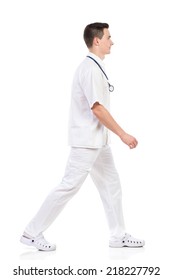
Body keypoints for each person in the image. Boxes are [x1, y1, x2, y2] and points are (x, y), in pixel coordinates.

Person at [20, 22, 145, 251]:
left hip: (99, 142)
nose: (112, 41)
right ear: (97, 40)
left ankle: (118, 236)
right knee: (69, 186)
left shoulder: (96, 68)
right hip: (86, 143)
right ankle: (32, 232)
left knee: (112, 184)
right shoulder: (88, 69)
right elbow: (96, 108)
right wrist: (122, 134)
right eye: (108, 37)